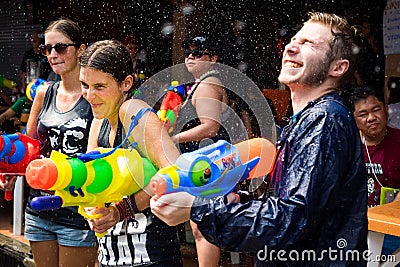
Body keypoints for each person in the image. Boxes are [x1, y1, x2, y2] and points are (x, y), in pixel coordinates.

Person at [151, 12, 368, 266]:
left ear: (338, 67)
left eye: (309, 44)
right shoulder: (308, 118)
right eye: (294, 40)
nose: (291, 47)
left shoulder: (325, 119)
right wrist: (237, 202)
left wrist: (199, 209)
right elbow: (292, 206)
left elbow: (291, 219)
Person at [79, 40, 183, 267]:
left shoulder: (133, 111)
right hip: (111, 255)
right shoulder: (99, 121)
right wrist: (93, 207)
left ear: (126, 83)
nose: (88, 95)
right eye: (84, 85)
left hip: (151, 255)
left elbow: (176, 174)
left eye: (99, 86)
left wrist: (122, 209)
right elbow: (90, 181)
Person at [23, 18, 97, 267]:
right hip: (39, 208)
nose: (53, 54)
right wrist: (11, 169)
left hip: (77, 211)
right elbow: (28, 145)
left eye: (61, 47)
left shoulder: (95, 98)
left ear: (82, 49)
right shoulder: (44, 93)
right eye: (47, 49)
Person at [171, 36, 231, 267]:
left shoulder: (207, 83)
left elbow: (210, 126)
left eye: (198, 53)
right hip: (206, 162)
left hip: (209, 163)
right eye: (188, 52)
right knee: (202, 224)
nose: (190, 57)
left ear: (213, 59)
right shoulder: (203, 82)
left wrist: (172, 138)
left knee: (203, 227)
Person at [349, 85, 400, 255]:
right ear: (354, 120)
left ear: (386, 110)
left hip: (393, 227)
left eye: (376, 110)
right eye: (363, 114)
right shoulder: (348, 147)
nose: (371, 118)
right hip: (356, 226)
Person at [18, 29, 51, 95]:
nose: (37, 45)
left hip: (46, 85)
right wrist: (25, 90)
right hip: (32, 86)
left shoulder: (47, 53)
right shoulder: (28, 54)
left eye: (40, 42)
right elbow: (23, 73)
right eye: (35, 42)